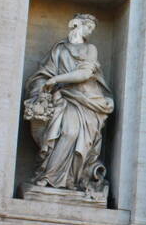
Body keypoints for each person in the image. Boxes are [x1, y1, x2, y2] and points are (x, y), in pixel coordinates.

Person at [23, 14, 114, 193]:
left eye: (92, 29)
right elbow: (45, 73)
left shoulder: (90, 49)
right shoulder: (59, 49)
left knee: (72, 134)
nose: (89, 32)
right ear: (76, 25)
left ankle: (69, 179)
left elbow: (84, 74)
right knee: (61, 133)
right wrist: (44, 84)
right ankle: (49, 176)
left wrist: (56, 79)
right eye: (87, 27)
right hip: (63, 97)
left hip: (87, 100)